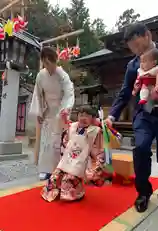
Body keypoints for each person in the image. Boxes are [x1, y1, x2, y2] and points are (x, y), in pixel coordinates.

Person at [105, 23, 158, 212]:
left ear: (147, 35)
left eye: (138, 46)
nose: (137, 52)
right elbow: (124, 93)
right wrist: (112, 115)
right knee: (141, 147)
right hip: (144, 114)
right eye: (133, 49)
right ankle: (143, 192)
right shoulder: (132, 66)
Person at [41, 106, 112, 202]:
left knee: (70, 179)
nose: (83, 118)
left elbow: (98, 149)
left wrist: (96, 164)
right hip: (67, 157)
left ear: (93, 118)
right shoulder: (73, 127)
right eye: (81, 115)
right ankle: (56, 191)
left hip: (80, 160)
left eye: (87, 116)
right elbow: (66, 141)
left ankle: (75, 194)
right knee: (54, 177)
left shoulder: (95, 131)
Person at [29, 46, 74, 181]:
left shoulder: (62, 75)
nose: (48, 66)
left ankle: (59, 169)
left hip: (60, 111)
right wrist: (39, 111)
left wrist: (65, 109)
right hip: (48, 110)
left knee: (57, 142)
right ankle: (45, 169)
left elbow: (69, 93)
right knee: (45, 142)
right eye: (45, 63)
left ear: (55, 61)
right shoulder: (40, 76)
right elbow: (38, 95)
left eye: (50, 63)